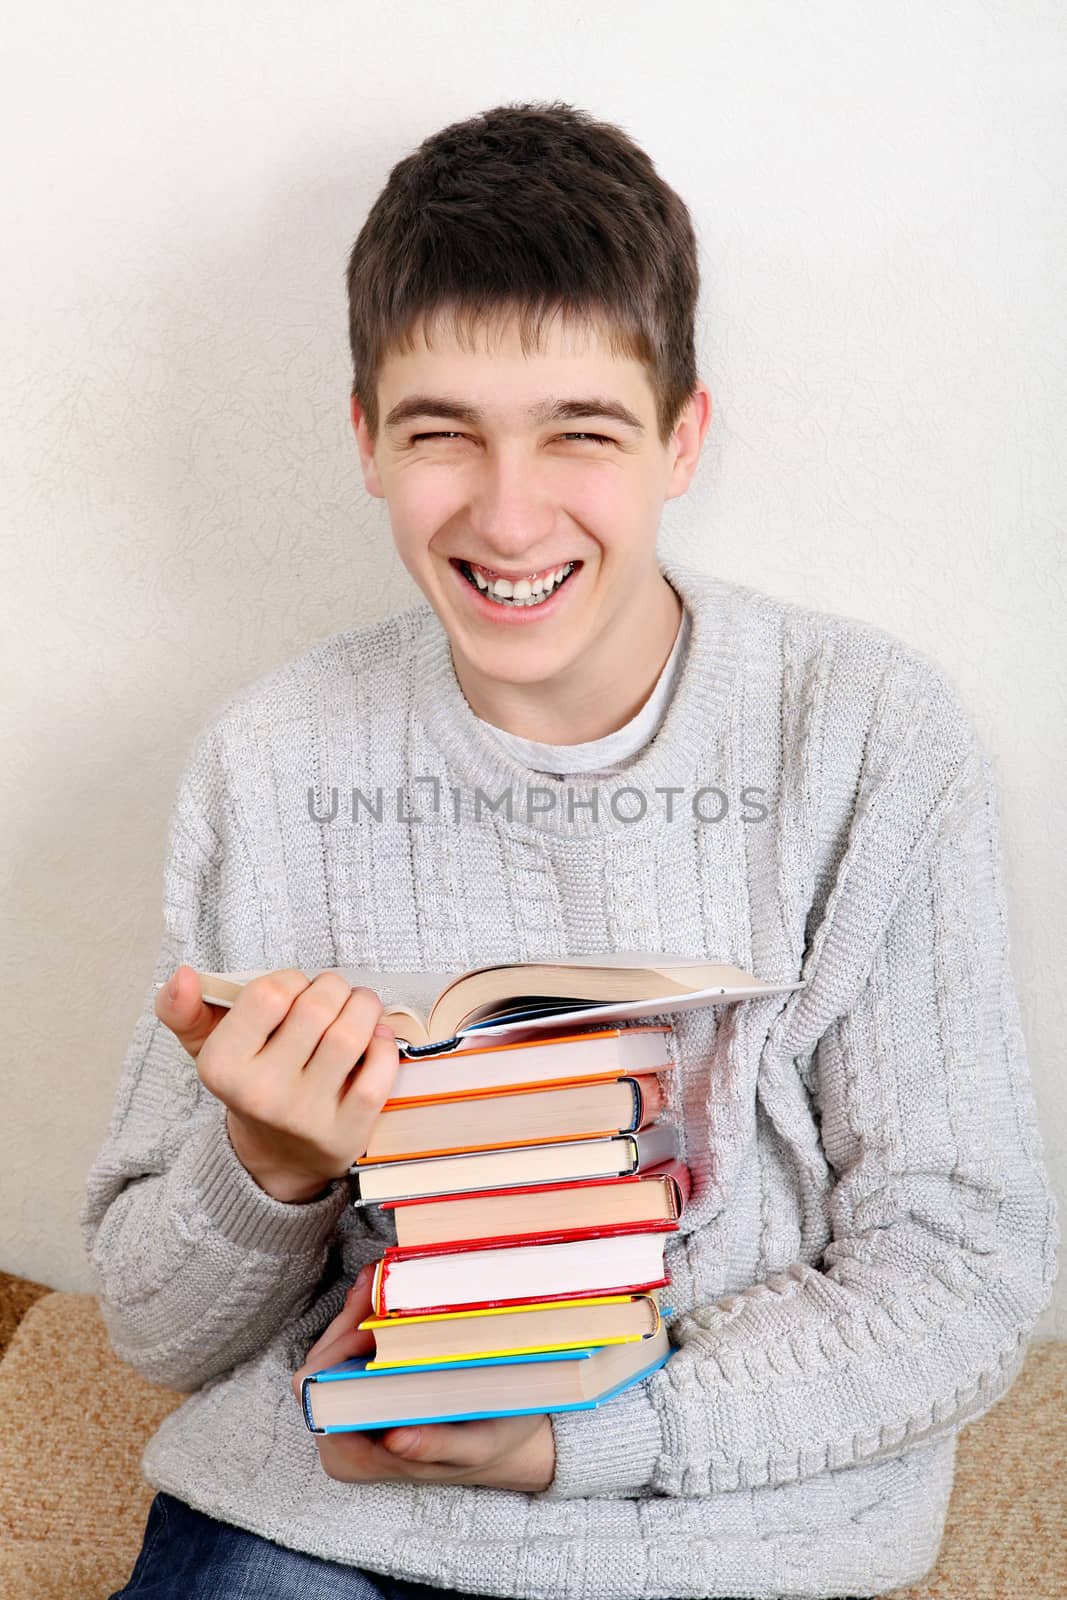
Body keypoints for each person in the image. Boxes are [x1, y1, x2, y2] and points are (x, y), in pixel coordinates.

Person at [83, 102, 1057, 1600]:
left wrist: (581, 1440)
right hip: (344, 1493)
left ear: (682, 439)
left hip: (733, 1502)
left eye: (580, 434)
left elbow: (964, 1275)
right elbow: (154, 1335)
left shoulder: (870, 739)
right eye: (441, 434)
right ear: (365, 442)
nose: (509, 510)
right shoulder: (270, 758)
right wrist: (268, 1171)